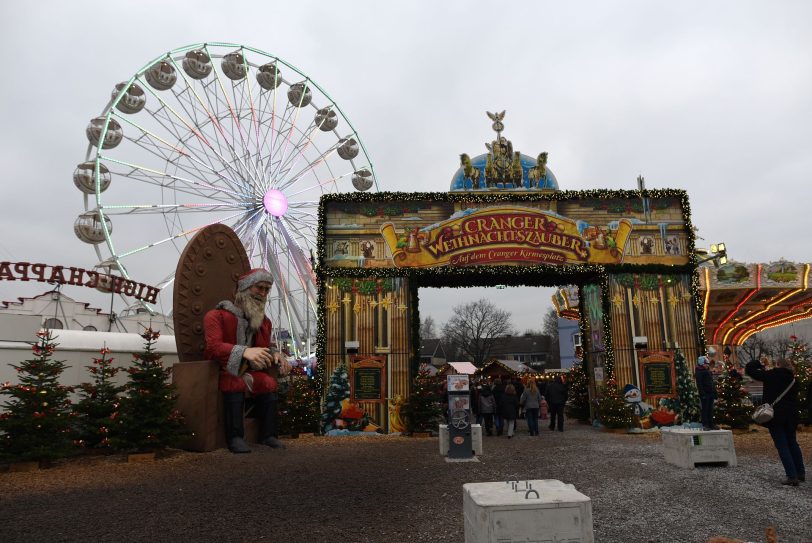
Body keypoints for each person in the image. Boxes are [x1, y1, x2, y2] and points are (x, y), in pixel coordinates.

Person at [204, 268, 291, 453]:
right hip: (223, 370)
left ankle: (268, 435)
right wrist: (244, 351)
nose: (263, 294)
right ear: (243, 289)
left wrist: (275, 353)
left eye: (267, 290)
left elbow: (266, 345)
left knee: (268, 382)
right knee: (234, 381)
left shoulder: (264, 322)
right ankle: (235, 437)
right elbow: (213, 347)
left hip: (249, 371)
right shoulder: (216, 316)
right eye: (259, 288)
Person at [746, 357, 806, 486]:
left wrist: (759, 363)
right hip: (791, 416)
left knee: (782, 445)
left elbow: (750, 370)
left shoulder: (770, 375)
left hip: (775, 416)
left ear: (777, 365)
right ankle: (800, 472)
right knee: (792, 443)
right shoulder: (794, 379)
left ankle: (791, 476)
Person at [695, 355, 718, 430]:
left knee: (710, 409)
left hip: (710, 393)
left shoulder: (707, 371)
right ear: (701, 364)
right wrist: (702, 393)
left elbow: (711, 382)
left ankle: (711, 424)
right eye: (706, 364)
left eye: (707, 364)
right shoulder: (699, 372)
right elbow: (699, 384)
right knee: (705, 409)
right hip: (705, 393)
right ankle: (705, 424)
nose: (707, 365)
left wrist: (714, 392)